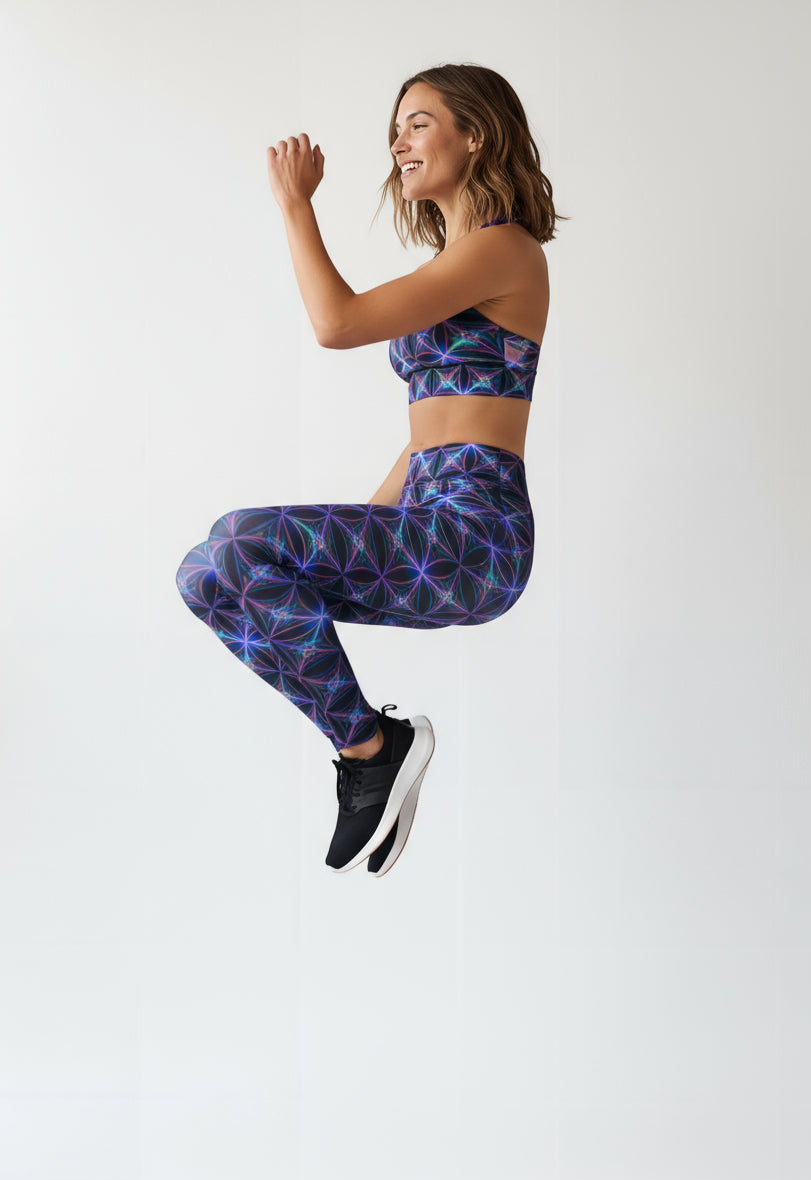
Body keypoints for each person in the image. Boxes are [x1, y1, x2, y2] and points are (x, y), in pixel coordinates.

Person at [175, 63, 564, 878]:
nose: (398, 141)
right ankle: (370, 752)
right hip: (426, 521)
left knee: (244, 542)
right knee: (213, 570)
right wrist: (361, 530)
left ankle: (374, 754)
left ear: (475, 134)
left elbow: (337, 322)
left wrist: (294, 205)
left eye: (419, 122)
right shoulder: (461, 257)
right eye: (397, 126)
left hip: (475, 536)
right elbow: (428, 436)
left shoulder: (503, 250)